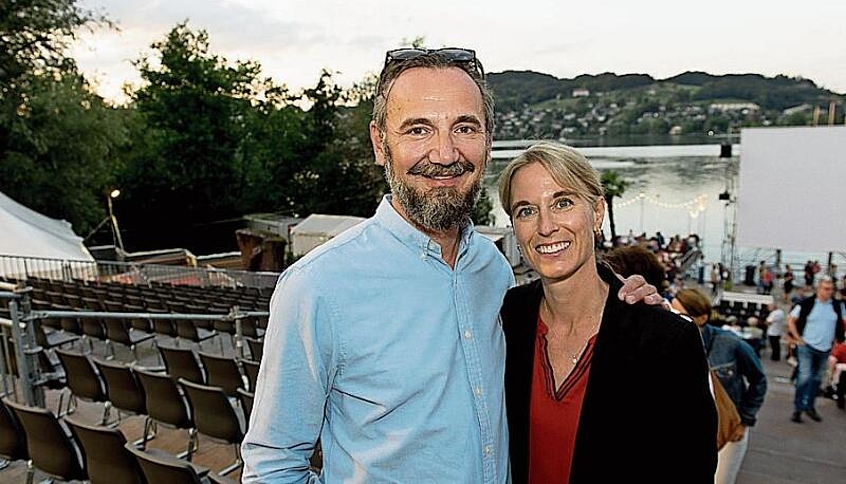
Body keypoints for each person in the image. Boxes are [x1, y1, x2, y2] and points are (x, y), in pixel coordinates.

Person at [240, 48, 659, 483]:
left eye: (464, 128)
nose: (444, 153)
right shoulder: (317, 288)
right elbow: (273, 467)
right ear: (380, 143)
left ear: (488, 142)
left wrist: (627, 304)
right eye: (418, 129)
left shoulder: (492, 269)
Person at [498, 142, 717, 484]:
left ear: (597, 212)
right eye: (526, 210)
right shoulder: (508, 317)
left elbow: (690, 472)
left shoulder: (666, 340)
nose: (545, 226)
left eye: (563, 203)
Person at [671, 289, 767, 484]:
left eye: (679, 313)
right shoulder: (671, 342)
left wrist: (745, 421)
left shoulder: (730, 343)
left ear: (701, 318)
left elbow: (759, 379)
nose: (672, 317)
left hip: (727, 428)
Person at [787, 275, 845, 423]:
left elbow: (841, 323)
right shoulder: (807, 304)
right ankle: (798, 408)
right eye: (826, 289)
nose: (829, 292)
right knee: (804, 377)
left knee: (817, 379)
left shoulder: (837, 306)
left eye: (831, 289)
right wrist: (797, 338)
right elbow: (791, 320)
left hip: (825, 348)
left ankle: (810, 406)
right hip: (807, 346)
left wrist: (838, 341)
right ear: (819, 288)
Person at [823, 341, 846, 409]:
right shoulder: (841, 348)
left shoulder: (841, 348)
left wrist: (830, 374)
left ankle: (839, 397)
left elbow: (832, 360)